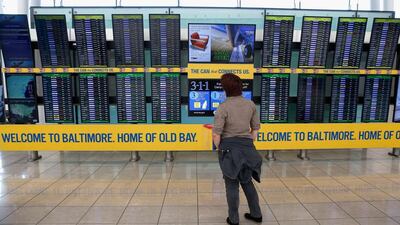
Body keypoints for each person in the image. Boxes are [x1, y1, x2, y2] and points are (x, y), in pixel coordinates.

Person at [212, 73, 263, 225]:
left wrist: (219, 148)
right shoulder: (251, 105)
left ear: (225, 89)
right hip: (248, 149)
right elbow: (255, 131)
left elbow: (217, 134)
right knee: (247, 182)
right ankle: (256, 214)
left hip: (229, 150)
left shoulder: (223, 107)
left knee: (231, 184)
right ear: (241, 87)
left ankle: (233, 219)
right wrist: (246, 142)